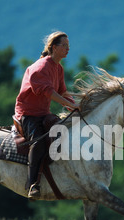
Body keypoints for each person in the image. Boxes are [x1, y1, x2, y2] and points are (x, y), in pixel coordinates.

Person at [14, 31, 79, 199]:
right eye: (64, 46)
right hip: (27, 114)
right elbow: (49, 93)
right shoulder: (40, 67)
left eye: (68, 46)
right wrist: (69, 105)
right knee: (39, 142)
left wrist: (76, 105)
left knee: (64, 133)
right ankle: (32, 184)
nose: (68, 49)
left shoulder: (58, 68)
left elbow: (62, 92)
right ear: (54, 47)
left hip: (43, 114)